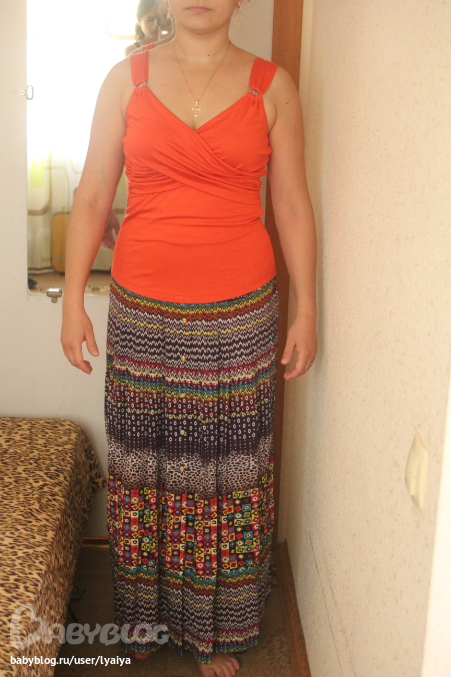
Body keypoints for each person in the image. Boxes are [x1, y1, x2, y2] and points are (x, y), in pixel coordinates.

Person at [61, 1, 317, 675]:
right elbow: (93, 193)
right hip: (142, 311)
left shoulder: (273, 87)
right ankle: (147, 619)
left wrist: (307, 308)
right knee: (144, 468)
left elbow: (292, 202)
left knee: (227, 473)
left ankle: (215, 629)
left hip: (240, 316)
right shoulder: (125, 80)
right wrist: (72, 300)